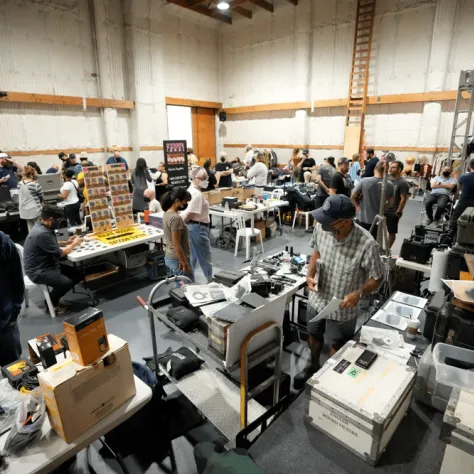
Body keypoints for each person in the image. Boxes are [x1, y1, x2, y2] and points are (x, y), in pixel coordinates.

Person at [293, 195, 384, 389]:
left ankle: (327, 382)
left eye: (329, 221)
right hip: (318, 297)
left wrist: (359, 293)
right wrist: (311, 273)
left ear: (346, 221)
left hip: (343, 305)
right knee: (314, 334)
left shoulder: (367, 244)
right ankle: (313, 366)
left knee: (338, 344)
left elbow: (377, 277)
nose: (323, 224)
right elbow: (316, 252)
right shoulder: (321, 228)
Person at [23, 206, 83, 316]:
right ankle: (51, 302)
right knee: (67, 282)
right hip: (38, 271)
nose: (59, 223)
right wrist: (74, 244)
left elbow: (50, 244)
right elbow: (60, 253)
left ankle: (54, 299)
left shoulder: (41, 228)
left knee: (77, 274)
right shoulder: (42, 233)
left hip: (46, 265)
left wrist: (66, 242)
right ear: (51, 219)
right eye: (58, 220)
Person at [181, 167, 213, 282]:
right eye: (203, 178)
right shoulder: (197, 194)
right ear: (195, 179)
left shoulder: (191, 190)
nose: (206, 181)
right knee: (205, 257)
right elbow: (188, 214)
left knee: (193, 257)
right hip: (198, 228)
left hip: (194, 227)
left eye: (206, 178)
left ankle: (186, 280)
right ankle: (210, 280)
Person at [0, 231, 24, 367]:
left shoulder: (3, 242)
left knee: (14, 369)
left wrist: (14, 311)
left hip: (5, 322)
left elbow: (17, 281)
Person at [352, 161, 394, 236]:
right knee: (374, 242)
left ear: (375, 169)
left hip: (362, 218)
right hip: (378, 221)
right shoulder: (390, 185)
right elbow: (391, 202)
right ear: (386, 171)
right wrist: (382, 208)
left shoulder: (364, 181)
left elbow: (352, 196)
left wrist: (357, 207)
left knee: (360, 241)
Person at [161, 187, 194, 282]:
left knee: (180, 287)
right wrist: (184, 263)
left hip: (171, 257)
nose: (186, 204)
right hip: (178, 260)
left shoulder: (167, 213)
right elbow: (176, 244)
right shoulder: (176, 218)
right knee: (188, 289)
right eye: (185, 201)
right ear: (177, 200)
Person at [385, 161, 409, 248]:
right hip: (384, 209)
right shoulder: (388, 180)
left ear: (399, 169)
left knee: (391, 232)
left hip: (394, 210)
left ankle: (387, 250)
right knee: (378, 229)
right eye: (390, 167)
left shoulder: (403, 183)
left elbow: (404, 198)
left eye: (393, 167)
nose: (390, 169)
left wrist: (398, 212)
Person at [449, 158, 474, 234]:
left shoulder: (463, 177)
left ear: (469, 167)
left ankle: (451, 234)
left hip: (464, 202)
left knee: (454, 218)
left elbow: (458, 190)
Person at [18, 165, 44, 232]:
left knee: (30, 228)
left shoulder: (19, 184)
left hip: (24, 210)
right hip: (35, 209)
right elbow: (41, 197)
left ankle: (32, 241)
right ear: (32, 174)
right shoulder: (35, 185)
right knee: (40, 228)